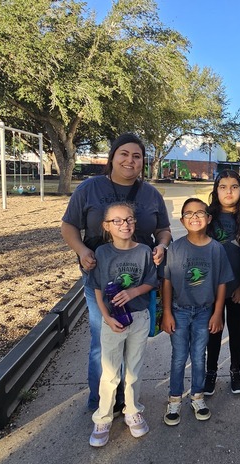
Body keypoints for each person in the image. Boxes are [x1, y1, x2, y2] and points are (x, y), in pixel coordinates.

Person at [60, 133, 172, 413]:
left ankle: (127, 399)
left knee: (133, 339)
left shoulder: (151, 194)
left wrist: (161, 245)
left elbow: (163, 229)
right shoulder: (90, 188)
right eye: (124, 154)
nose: (130, 160)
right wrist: (82, 251)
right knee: (104, 338)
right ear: (112, 157)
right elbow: (69, 226)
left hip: (139, 279)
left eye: (137, 156)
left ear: (143, 162)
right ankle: (101, 403)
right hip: (100, 277)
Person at [87, 202, 159, 447]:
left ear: (135, 222)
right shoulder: (102, 253)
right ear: (106, 226)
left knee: (133, 369)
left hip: (138, 318)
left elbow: (151, 281)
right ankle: (103, 417)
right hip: (112, 321)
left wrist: (133, 292)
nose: (124, 224)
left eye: (128, 219)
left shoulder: (144, 251)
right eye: (116, 221)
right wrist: (106, 317)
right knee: (109, 372)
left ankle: (132, 410)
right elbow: (97, 288)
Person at [161, 198, 234, 425]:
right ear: (182, 220)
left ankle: (197, 396)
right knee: (179, 356)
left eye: (200, 213)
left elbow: (222, 282)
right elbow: (167, 282)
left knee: (199, 356)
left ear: (209, 218)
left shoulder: (216, 249)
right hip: (179, 311)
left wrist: (217, 313)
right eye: (189, 213)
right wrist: (167, 312)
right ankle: (174, 398)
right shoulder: (175, 249)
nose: (194, 217)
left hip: (204, 312)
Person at [204, 170, 240, 395]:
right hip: (212, 288)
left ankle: (235, 370)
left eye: (234, 187)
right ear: (216, 190)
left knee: (235, 330)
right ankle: (211, 371)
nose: (228, 192)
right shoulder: (208, 217)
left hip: (236, 287)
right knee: (213, 330)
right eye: (222, 187)